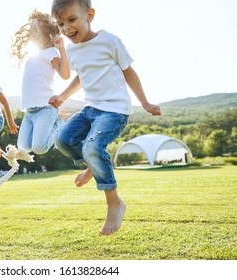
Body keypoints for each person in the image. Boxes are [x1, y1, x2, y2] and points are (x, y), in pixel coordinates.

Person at [49, 0, 162, 236]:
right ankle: (93, 164)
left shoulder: (109, 41)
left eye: (72, 20)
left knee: (92, 146)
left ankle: (114, 203)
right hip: (91, 108)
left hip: (114, 110)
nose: (67, 28)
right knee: (63, 139)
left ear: (90, 15)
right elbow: (81, 77)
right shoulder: (72, 50)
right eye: (61, 24)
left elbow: (129, 72)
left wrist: (145, 102)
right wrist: (63, 95)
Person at [11, 10, 71, 155]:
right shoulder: (33, 57)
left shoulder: (51, 52)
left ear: (47, 35)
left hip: (46, 108)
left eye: (36, 31)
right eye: (31, 31)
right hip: (30, 111)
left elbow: (65, 74)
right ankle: (58, 117)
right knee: (23, 148)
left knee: (40, 148)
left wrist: (61, 49)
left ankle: (60, 120)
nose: (32, 35)